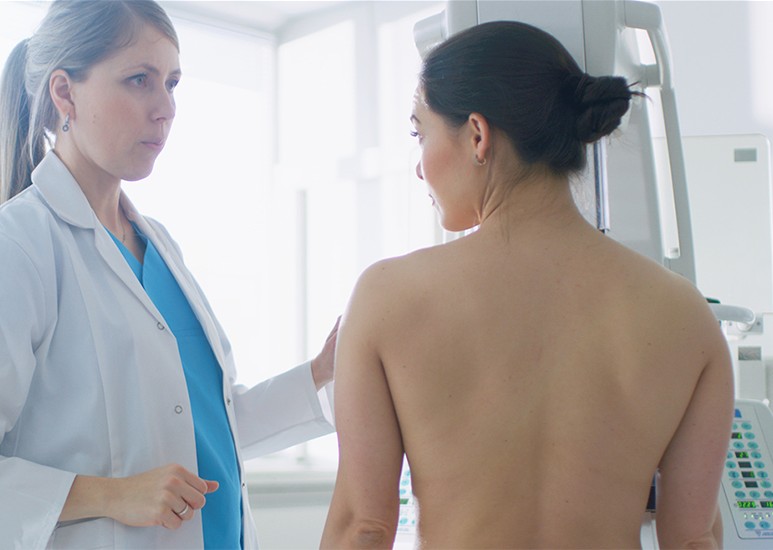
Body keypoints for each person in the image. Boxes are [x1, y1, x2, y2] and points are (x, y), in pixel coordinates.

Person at [321, 20, 733, 549]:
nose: (420, 169)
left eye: (420, 133)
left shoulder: (387, 298)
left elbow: (364, 526)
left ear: (476, 134)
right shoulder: (685, 314)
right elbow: (692, 538)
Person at [0, 1, 337, 548]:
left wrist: (319, 374)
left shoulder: (159, 244)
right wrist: (110, 495)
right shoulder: (20, 246)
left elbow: (200, 428)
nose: (166, 108)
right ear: (64, 94)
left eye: (172, 83)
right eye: (139, 80)